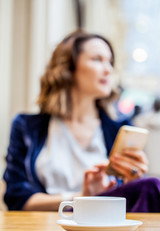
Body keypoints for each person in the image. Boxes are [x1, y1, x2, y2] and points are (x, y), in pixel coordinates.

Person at [3, 30, 160, 212]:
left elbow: (128, 196)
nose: (108, 69)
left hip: (105, 225)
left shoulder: (120, 127)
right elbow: (16, 199)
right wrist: (81, 198)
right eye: (97, 59)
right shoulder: (27, 127)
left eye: (109, 61)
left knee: (151, 186)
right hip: (46, 226)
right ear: (68, 68)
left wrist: (133, 180)